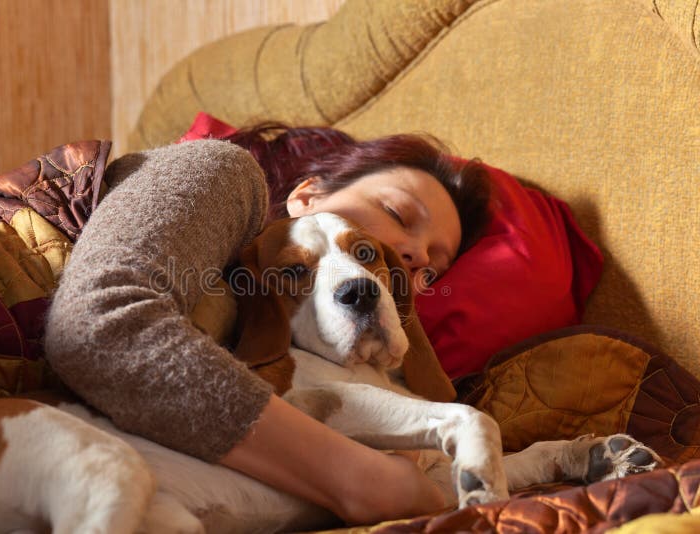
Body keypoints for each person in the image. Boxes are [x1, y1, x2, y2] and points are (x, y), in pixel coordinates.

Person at [44, 124, 491, 526]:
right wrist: (360, 478)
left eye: (434, 267)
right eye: (397, 212)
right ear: (307, 195)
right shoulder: (222, 172)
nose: (416, 255)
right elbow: (97, 328)